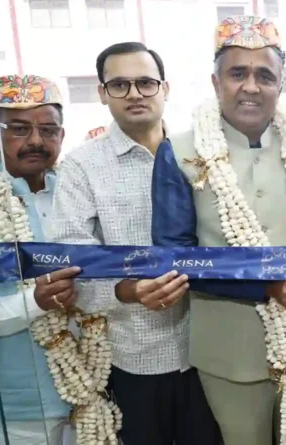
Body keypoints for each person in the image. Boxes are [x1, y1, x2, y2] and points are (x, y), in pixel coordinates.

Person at [150, 16, 286, 445]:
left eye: (265, 75)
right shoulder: (179, 152)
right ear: (216, 82)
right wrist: (265, 288)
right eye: (237, 73)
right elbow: (174, 258)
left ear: (280, 85)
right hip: (229, 355)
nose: (251, 86)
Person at [42, 42, 222, 445]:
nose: (135, 93)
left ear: (165, 89)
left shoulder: (203, 155)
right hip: (134, 353)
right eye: (120, 85)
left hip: (211, 347)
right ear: (102, 93)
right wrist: (124, 289)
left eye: (145, 82)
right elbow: (72, 256)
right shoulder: (82, 166)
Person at [0, 74, 71, 445]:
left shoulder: (76, 191)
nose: (35, 141)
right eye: (18, 129)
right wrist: (34, 302)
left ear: (62, 136)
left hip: (100, 388)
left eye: (48, 129)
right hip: (20, 403)